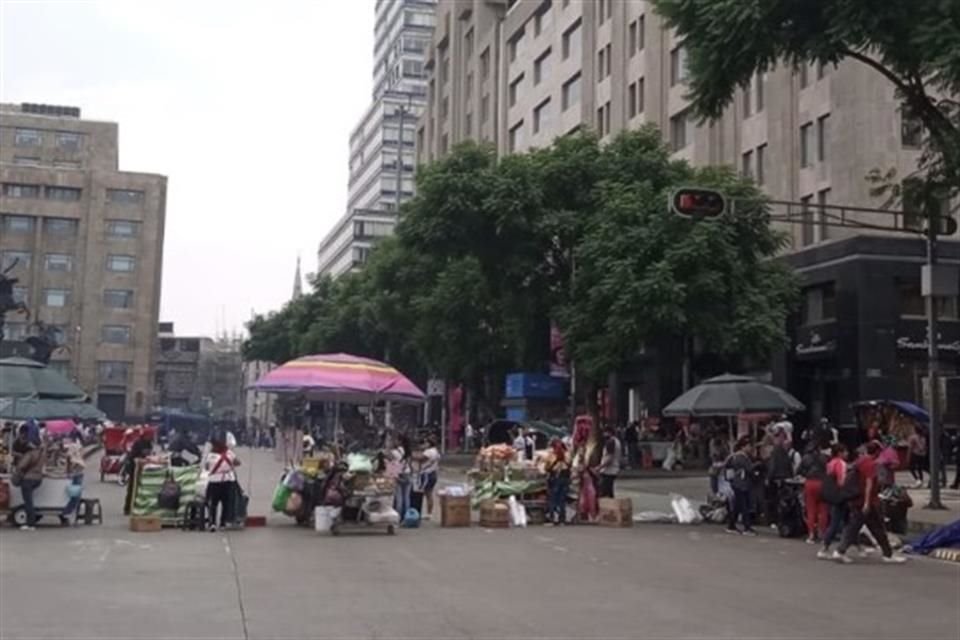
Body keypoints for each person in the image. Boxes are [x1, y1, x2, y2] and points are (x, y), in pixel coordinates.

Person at [833, 441, 907, 564]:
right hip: (866, 501)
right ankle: (840, 551)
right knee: (859, 527)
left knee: (874, 527)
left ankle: (887, 553)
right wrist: (867, 503)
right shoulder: (870, 464)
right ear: (877, 452)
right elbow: (869, 483)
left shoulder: (860, 461)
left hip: (857, 499)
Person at [203, 434, 241, 531]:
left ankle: (212, 523)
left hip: (213, 481)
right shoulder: (229, 453)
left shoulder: (211, 455)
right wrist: (228, 466)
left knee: (213, 504)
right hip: (226, 481)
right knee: (225, 503)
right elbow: (238, 462)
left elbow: (206, 467)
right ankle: (222, 523)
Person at [13, 424, 46, 530]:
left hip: (28, 479)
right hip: (38, 479)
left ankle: (30, 523)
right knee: (30, 500)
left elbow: (21, 466)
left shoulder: (30, 454)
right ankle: (31, 521)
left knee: (28, 502)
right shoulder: (42, 453)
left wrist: (18, 468)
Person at [724, 437, 757, 536]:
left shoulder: (737, 456)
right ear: (743, 447)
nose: (750, 448)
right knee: (744, 506)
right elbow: (749, 469)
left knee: (738, 506)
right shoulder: (741, 457)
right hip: (741, 484)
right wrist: (756, 466)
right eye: (749, 446)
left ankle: (731, 525)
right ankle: (746, 527)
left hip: (739, 483)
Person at [798, 441, 829, 544]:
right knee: (823, 510)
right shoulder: (824, 458)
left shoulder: (806, 458)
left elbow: (799, 470)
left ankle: (811, 534)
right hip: (822, 483)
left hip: (810, 483)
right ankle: (822, 534)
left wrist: (806, 474)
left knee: (811, 510)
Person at [59, 432, 86, 526]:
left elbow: (69, 460)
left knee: (74, 496)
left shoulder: (70, 447)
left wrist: (67, 472)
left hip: (75, 474)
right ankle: (73, 517)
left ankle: (66, 513)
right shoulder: (78, 446)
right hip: (79, 472)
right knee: (76, 495)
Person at [545, 439, 571, 525]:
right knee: (556, 499)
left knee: (559, 499)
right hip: (556, 477)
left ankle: (559, 519)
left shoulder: (566, 455)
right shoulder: (551, 455)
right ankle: (556, 518)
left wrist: (562, 459)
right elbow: (547, 468)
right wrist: (556, 461)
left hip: (562, 477)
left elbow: (569, 466)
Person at [418, 437, 441, 520]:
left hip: (427, 474)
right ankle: (429, 513)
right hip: (433, 473)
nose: (423, 445)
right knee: (429, 493)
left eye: (425, 443)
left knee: (424, 493)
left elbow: (421, 458)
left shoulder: (429, 452)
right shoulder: (436, 451)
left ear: (429, 443)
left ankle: (425, 512)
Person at [390, 435, 413, 517]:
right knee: (407, 498)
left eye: (396, 440)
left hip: (399, 474)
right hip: (408, 473)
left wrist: (393, 475)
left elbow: (392, 464)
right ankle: (407, 517)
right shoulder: (408, 451)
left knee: (399, 498)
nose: (394, 442)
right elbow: (410, 464)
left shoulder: (394, 452)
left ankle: (398, 517)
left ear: (400, 441)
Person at [596, 427, 622, 498]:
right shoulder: (617, 441)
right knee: (609, 492)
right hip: (613, 469)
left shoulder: (610, 442)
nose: (603, 435)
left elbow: (609, 458)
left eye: (605, 433)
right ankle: (612, 503)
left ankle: (608, 503)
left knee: (604, 492)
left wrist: (599, 467)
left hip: (608, 470)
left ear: (609, 433)